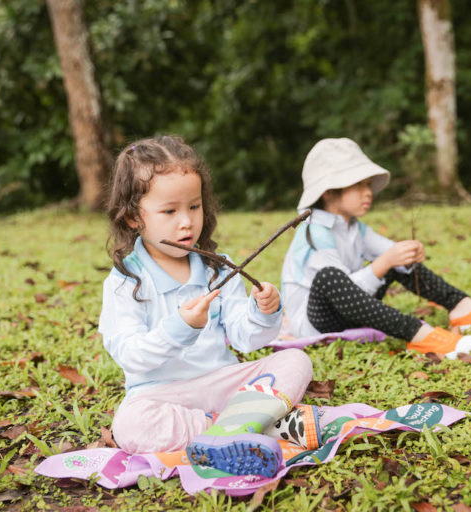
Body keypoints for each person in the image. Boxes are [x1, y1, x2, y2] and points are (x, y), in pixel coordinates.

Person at [100, 135, 318, 479]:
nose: (186, 221)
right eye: (169, 211)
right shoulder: (127, 280)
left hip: (225, 383)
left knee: (295, 359)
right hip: (162, 394)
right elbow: (130, 354)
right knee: (130, 425)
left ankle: (233, 430)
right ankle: (240, 429)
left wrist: (263, 312)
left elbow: (245, 339)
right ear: (133, 219)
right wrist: (180, 328)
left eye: (194, 206)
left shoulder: (218, 267)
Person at [281, 138, 471, 359]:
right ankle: (419, 334)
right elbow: (340, 289)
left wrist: (408, 252)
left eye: (368, 184)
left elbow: (390, 251)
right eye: (358, 185)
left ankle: (463, 308)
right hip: (316, 320)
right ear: (329, 191)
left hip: (348, 307)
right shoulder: (314, 232)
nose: (368, 193)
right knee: (330, 277)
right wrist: (385, 261)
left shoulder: (353, 226)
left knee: (395, 258)